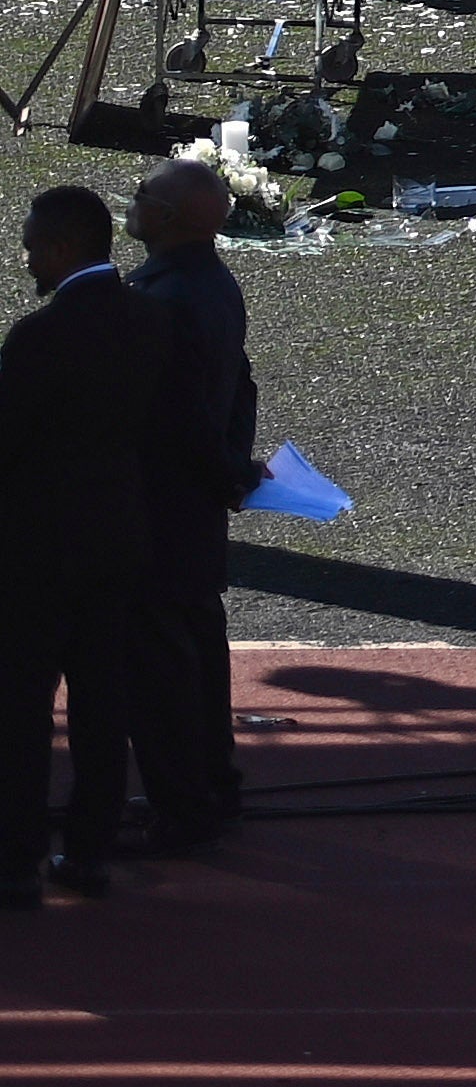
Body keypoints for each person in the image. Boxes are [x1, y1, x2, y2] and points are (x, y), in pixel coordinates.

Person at [0, 184, 159, 903]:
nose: (26, 254)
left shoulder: (38, 338)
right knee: (103, 706)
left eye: (33, 244)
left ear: (63, 248)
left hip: (34, 554)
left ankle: (15, 861)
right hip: (117, 543)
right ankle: (89, 850)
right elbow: (180, 430)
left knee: (21, 710)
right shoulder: (150, 322)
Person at [116, 155, 254, 857]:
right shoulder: (216, 287)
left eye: (143, 196)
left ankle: (183, 806)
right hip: (195, 513)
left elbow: (175, 420)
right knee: (200, 653)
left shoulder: (159, 298)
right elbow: (238, 390)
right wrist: (233, 469)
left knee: (160, 670)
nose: (133, 203)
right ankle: (213, 787)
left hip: (156, 513)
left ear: (167, 219)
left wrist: (221, 468)